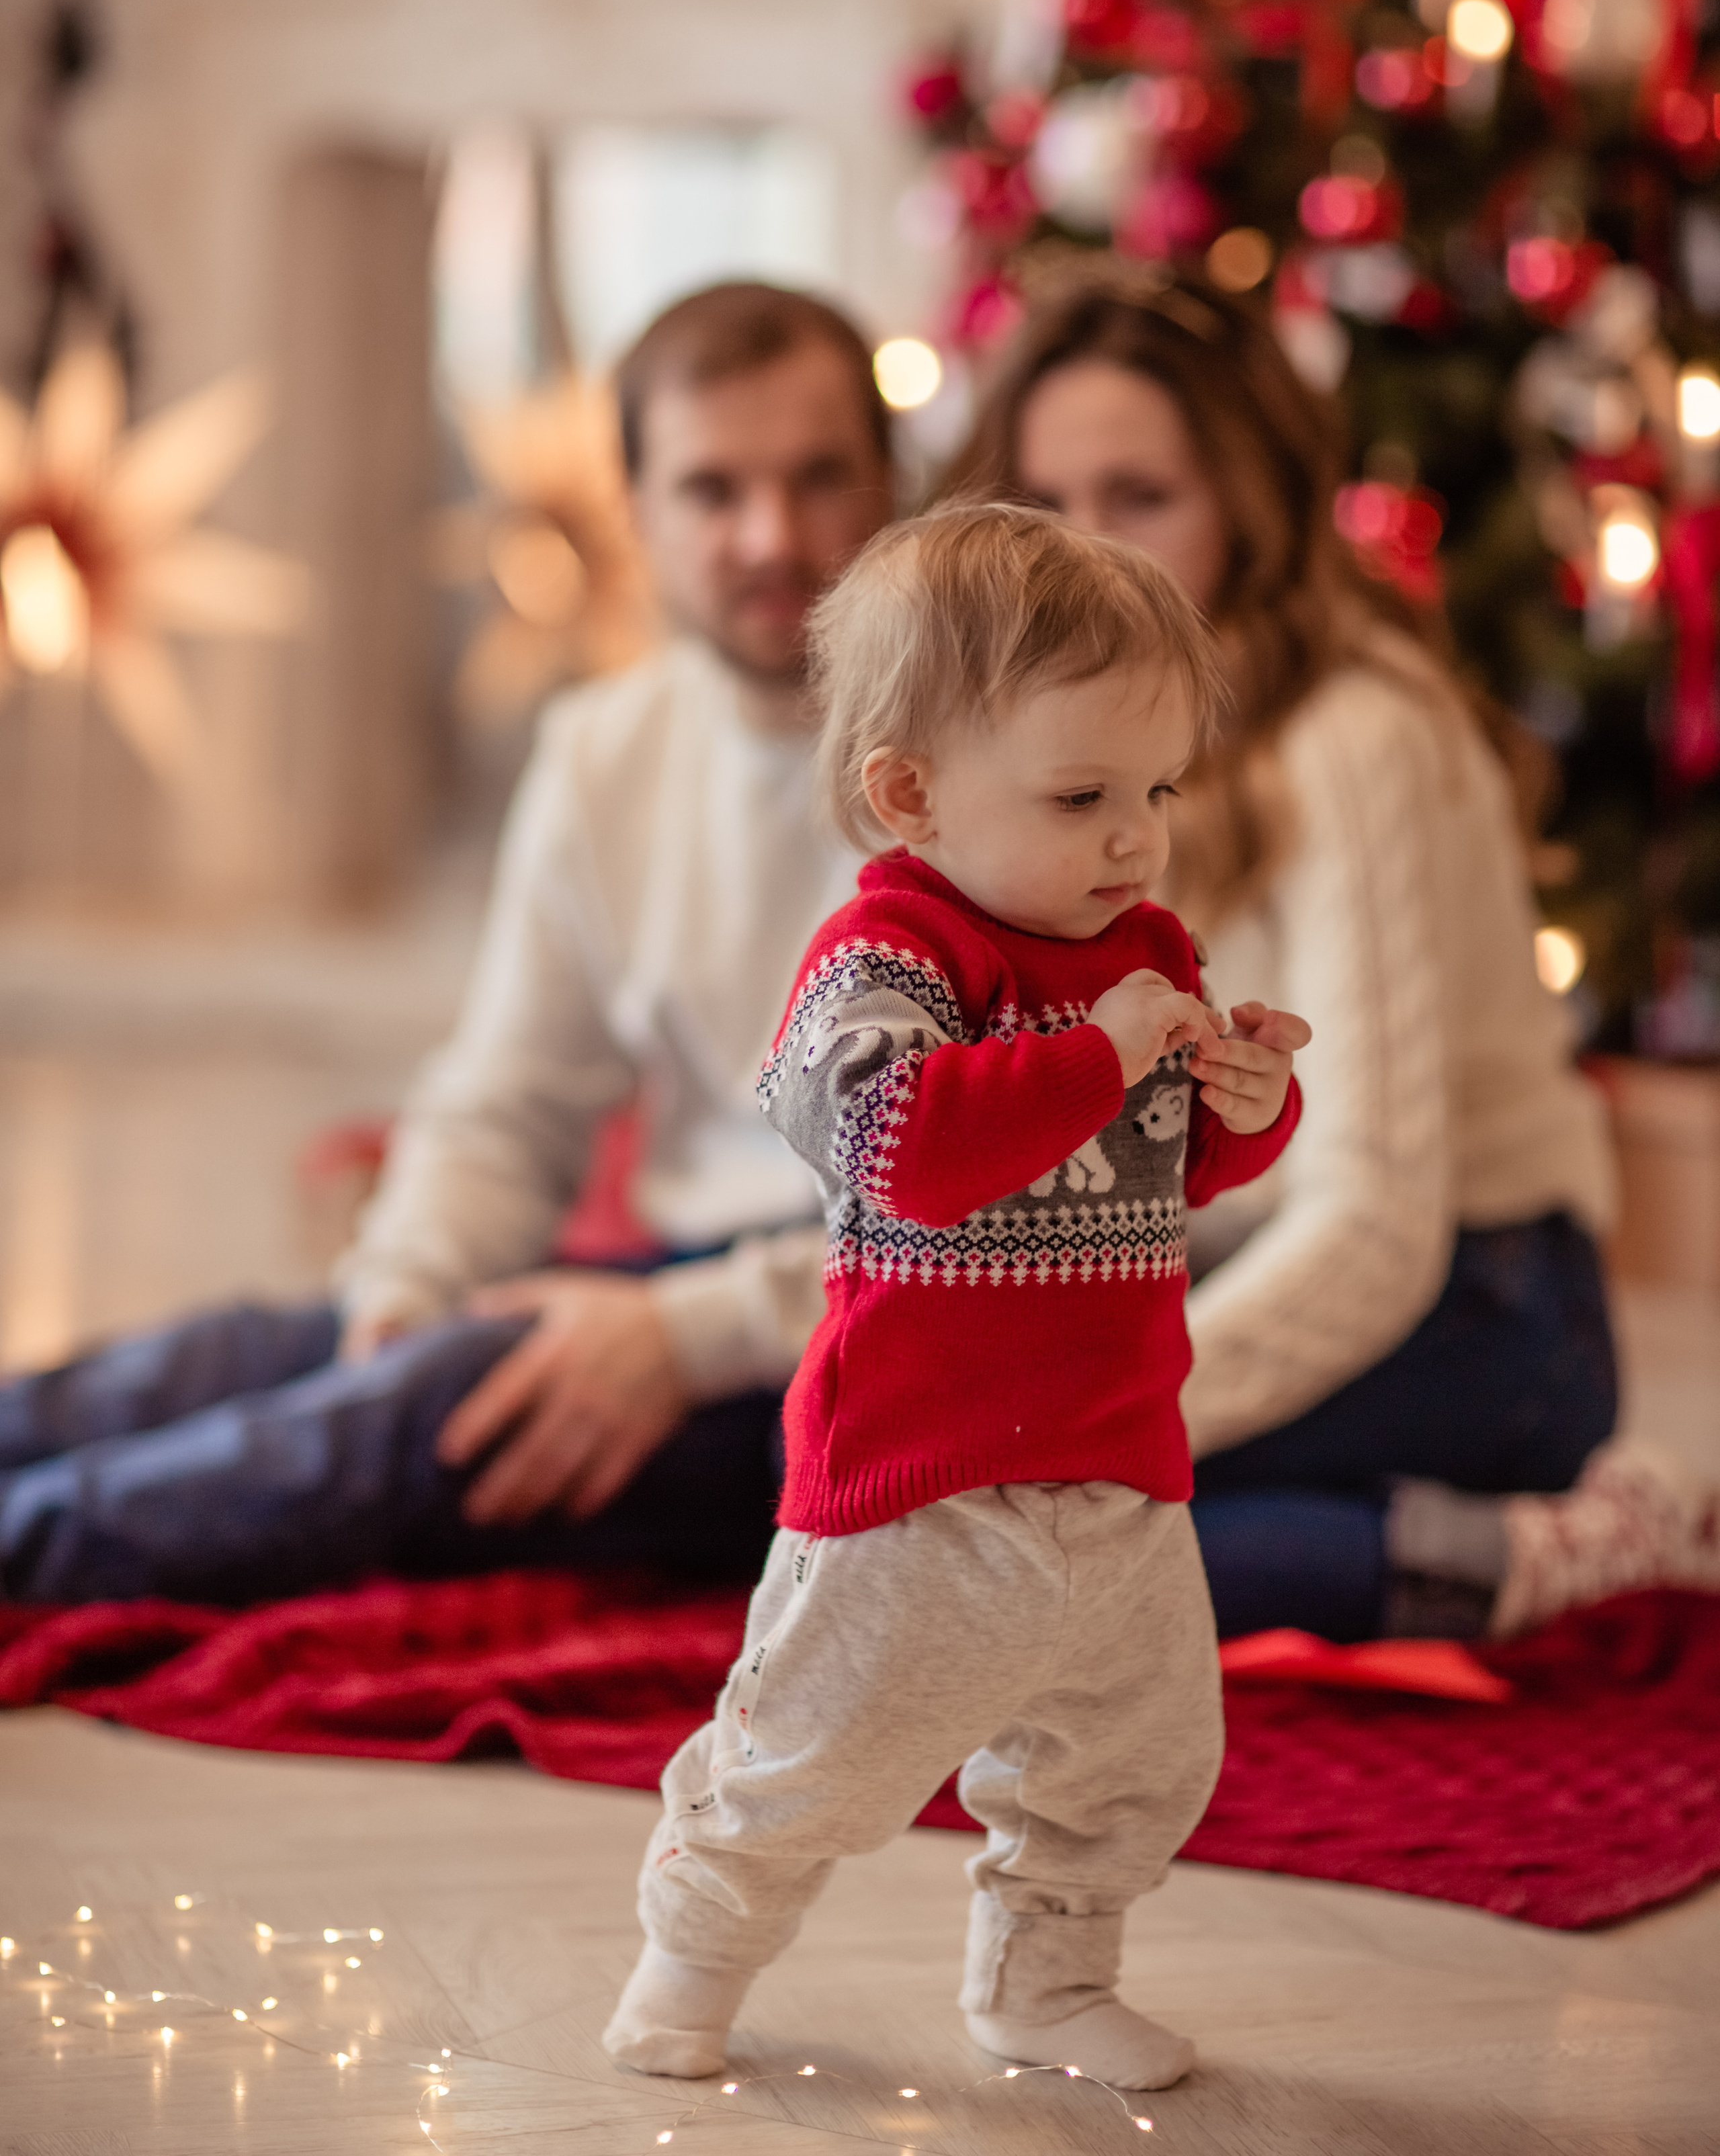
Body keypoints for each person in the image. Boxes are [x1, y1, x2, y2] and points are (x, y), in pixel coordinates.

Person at [0, 282, 892, 1604]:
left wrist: (671, 1334)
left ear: (891, 483)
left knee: (361, 1442)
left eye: (818, 478)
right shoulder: (606, 750)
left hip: (867, 1344)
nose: (772, 535)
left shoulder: (982, 761)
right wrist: (400, 1297)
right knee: (233, 1356)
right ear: (635, 511)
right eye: (713, 491)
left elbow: (1003, 1214)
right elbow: (506, 1104)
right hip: (659, 1286)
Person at [603, 504, 1307, 2092]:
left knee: (1132, 1765)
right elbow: (899, 1150)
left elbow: (1170, 1172)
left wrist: (1242, 1097)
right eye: (1081, 796)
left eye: (1155, 791)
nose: (1134, 838)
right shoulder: (883, 961)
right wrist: (1106, 1050)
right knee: (812, 1758)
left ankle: (1045, 1982)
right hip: (916, 1485)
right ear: (908, 792)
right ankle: (689, 1957)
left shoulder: (1137, 949)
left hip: (1116, 1462)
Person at [947, 267, 1720, 1642]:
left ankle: (1533, 1548)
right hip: (1233, 1252)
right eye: (1044, 505)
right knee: (910, 1496)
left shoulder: (1349, 734)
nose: (1084, 555)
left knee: (1007, 1558)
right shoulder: (1067, 748)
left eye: (1140, 497)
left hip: (1485, 1308)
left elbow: (1370, 1226)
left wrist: (1080, 1436)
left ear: (1245, 502)